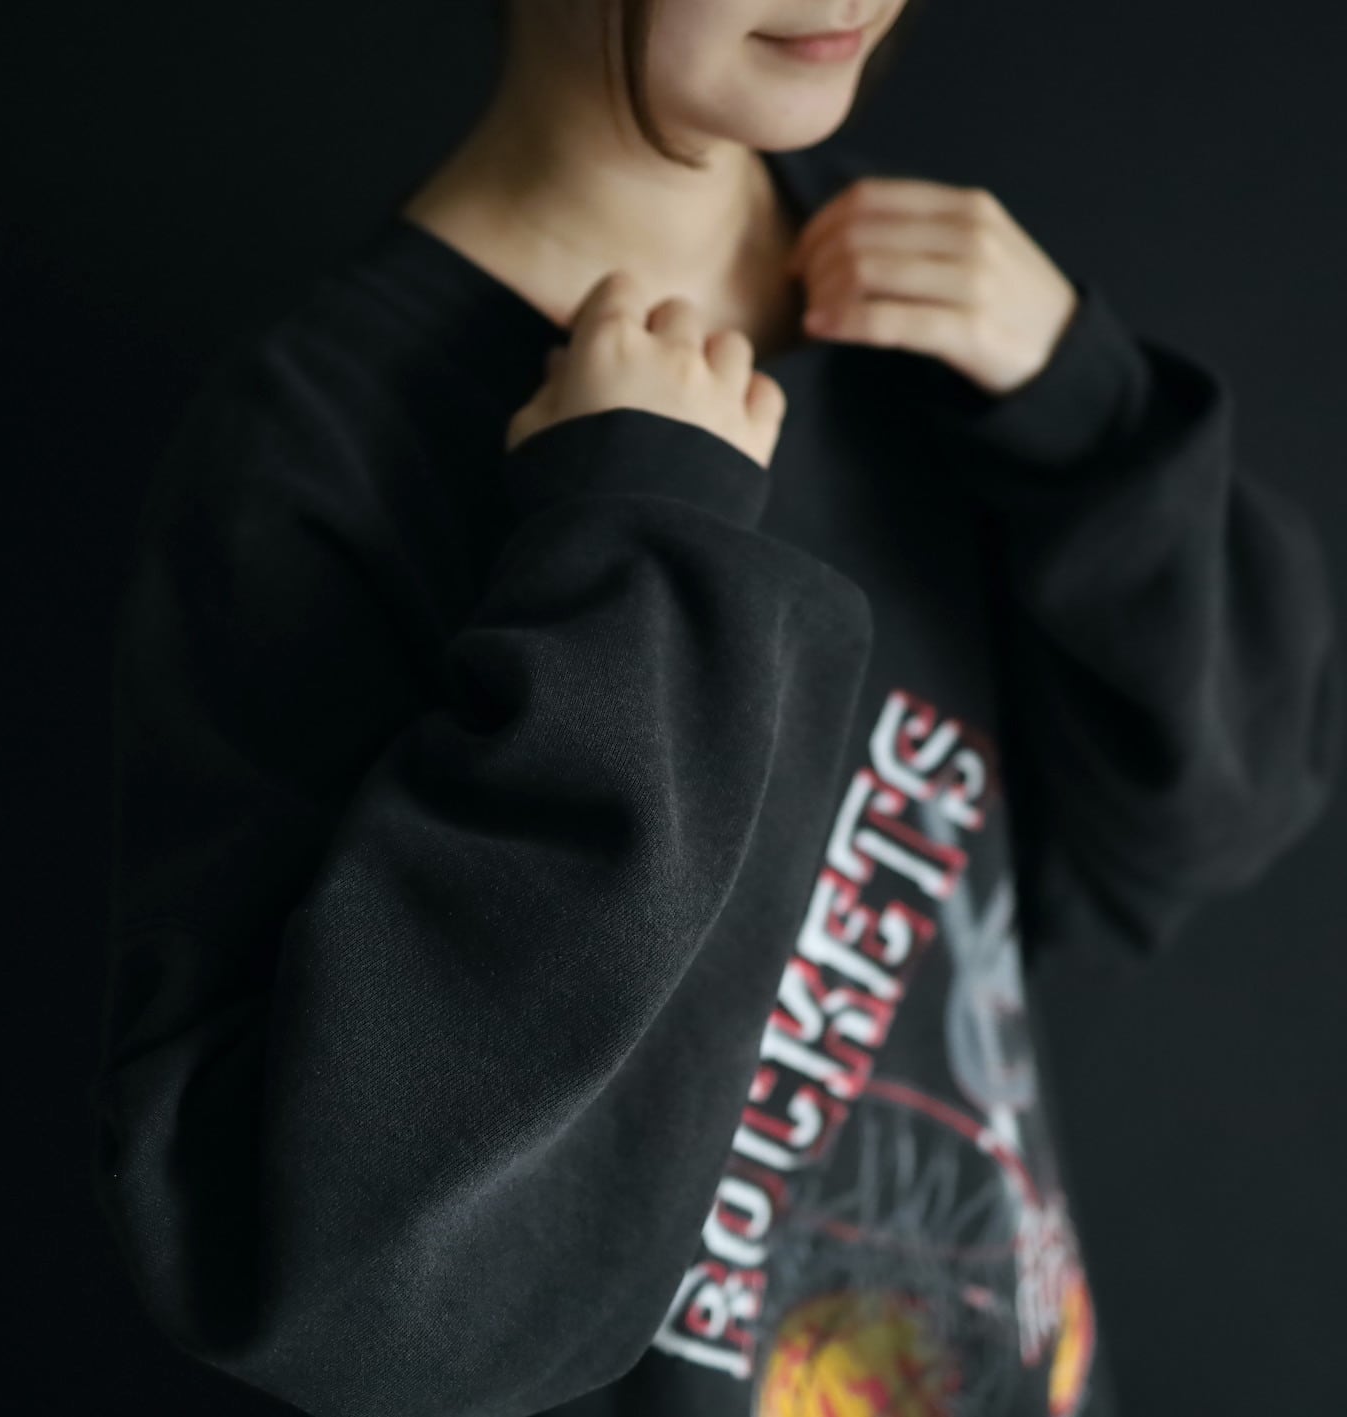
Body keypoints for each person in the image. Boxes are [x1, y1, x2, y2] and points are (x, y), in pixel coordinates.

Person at [88, 2, 1343, 1415]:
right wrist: (632, 562)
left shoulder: (925, 306)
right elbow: (323, 1277)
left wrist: (1092, 416)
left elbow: (1210, 811)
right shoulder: (318, 448)